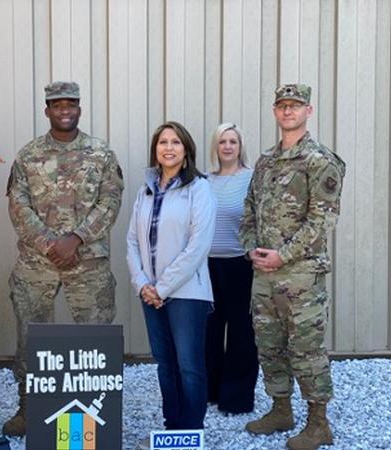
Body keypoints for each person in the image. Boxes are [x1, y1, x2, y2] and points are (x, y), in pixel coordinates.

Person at [4, 81, 124, 436]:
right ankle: (29, 409)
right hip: (36, 265)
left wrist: (76, 238)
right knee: (30, 337)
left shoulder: (101, 153)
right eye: (58, 105)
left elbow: (111, 202)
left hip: (88, 264)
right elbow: (18, 206)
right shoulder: (28, 156)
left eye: (71, 103)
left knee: (95, 342)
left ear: (80, 109)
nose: (65, 110)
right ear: (47, 111)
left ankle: (96, 416)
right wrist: (49, 244)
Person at [240, 84, 345, 450]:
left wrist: (283, 255)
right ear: (274, 111)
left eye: (295, 106)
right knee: (269, 345)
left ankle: (319, 423)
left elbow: (322, 221)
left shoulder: (320, 161)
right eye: (282, 106)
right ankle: (281, 408)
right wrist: (251, 248)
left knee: (306, 348)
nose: (288, 111)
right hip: (263, 274)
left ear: (308, 111)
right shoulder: (266, 161)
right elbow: (249, 210)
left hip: (300, 276)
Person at [126, 121, 216, 445]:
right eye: (162, 142)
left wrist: (161, 288)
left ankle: (191, 432)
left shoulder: (199, 188)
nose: (168, 147)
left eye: (175, 142)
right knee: (165, 364)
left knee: (189, 365)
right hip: (149, 293)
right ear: (155, 149)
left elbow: (198, 246)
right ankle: (172, 427)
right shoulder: (145, 190)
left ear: (186, 149)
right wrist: (141, 284)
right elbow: (133, 241)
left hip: (187, 292)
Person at [205, 123, 258, 414]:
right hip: (207, 266)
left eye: (233, 142)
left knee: (241, 332)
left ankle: (236, 398)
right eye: (222, 141)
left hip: (241, 264)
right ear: (216, 146)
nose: (227, 146)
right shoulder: (204, 180)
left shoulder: (251, 178)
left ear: (240, 147)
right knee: (209, 331)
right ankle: (209, 391)